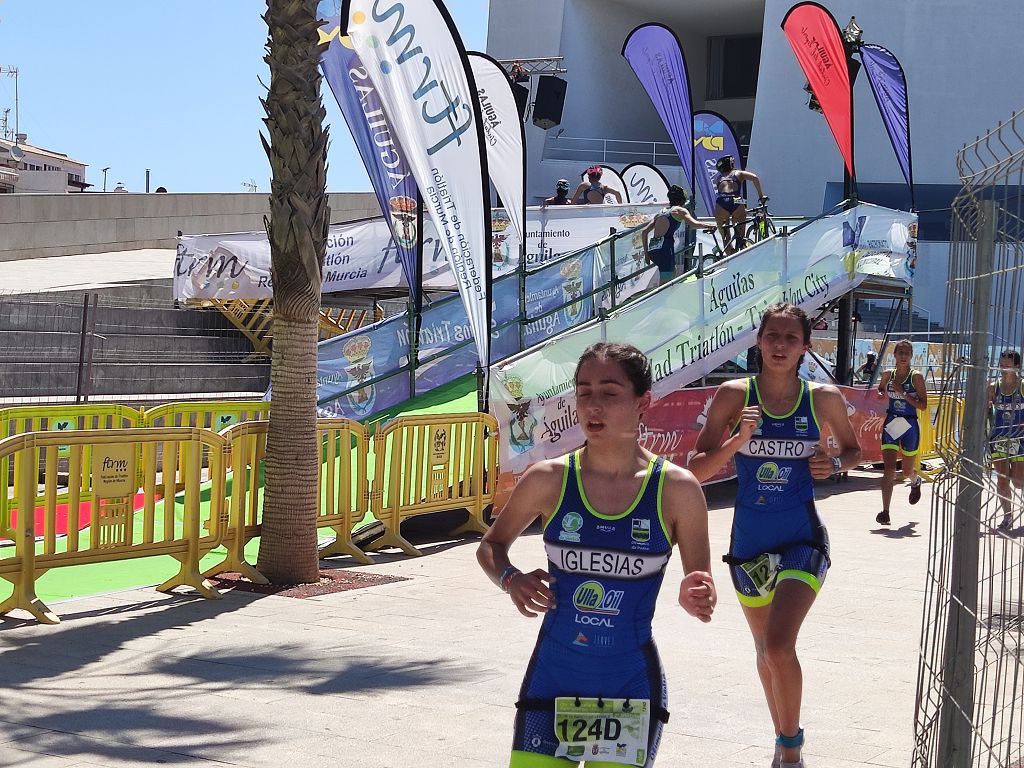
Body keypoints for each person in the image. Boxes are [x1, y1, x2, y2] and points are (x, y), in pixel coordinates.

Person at [478, 342, 716, 768]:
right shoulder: (547, 478)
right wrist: (511, 580)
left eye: (609, 392)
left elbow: (700, 582)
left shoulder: (678, 489)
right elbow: (491, 547)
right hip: (552, 680)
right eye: (584, 392)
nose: (594, 405)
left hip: (628, 684)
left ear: (644, 402)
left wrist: (695, 592)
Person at [689, 303, 861, 768]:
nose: (781, 345)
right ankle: (783, 737)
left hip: (802, 538)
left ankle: (790, 750)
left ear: (805, 347)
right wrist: (736, 441)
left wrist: (836, 466)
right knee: (766, 652)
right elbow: (697, 471)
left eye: (791, 338)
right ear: (758, 342)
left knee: (781, 644)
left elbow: (853, 449)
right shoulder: (732, 395)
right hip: (748, 544)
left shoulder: (822, 397)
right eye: (772, 336)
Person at [875, 339, 928, 525]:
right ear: (895, 355)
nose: (904, 356)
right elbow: (880, 389)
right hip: (892, 423)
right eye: (900, 353)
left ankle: (915, 480)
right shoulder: (888, 374)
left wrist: (904, 393)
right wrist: (881, 393)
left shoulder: (916, 377)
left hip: (910, 425)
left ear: (912, 356)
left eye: (907, 353)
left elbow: (923, 405)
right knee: (889, 469)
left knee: (906, 470)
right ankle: (885, 511)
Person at [989, 349, 1024, 531]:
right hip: (999, 438)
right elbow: (985, 410)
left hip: (1020, 439)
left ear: (1017, 367)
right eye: (1001, 365)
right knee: (1002, 480)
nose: (1002, 369)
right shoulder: (993, 387)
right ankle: (1007, 516)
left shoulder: (1023, 386)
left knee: (1018, 481)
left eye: (1007, 366)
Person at [640, 185, 702, 284]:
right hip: (665, 248)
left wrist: (646, 254)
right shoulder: (679, 210)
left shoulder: (661, 212)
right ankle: (660, 298)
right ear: (682, 201)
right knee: (665, 285)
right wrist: (709, 226)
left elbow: (644, 232)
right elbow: (693, 224)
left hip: (653, 249)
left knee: (673, 272)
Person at [712, 155, 766, 255]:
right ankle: (741, 243)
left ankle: (730, 255)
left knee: (726, 238)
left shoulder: (718, 177)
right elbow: (755, 177)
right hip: (736, 199)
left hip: (721, 201)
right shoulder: (738, 173)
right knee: (741, 233)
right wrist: (761, 195)